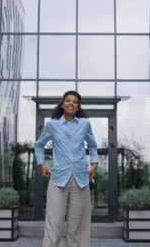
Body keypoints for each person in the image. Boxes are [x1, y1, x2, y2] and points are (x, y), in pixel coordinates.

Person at [34, 90, 98, 247]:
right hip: (58, 180)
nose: (71, 103)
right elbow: (39, 145)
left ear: (78, 107)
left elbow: (93, 145)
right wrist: (41, 164)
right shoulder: (52, 125)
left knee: (75, 228)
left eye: (75, 102)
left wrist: (94, 163)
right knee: (54, 226)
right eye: (68, 101)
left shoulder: (84, 124)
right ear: (62, 105)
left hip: (80, 181)